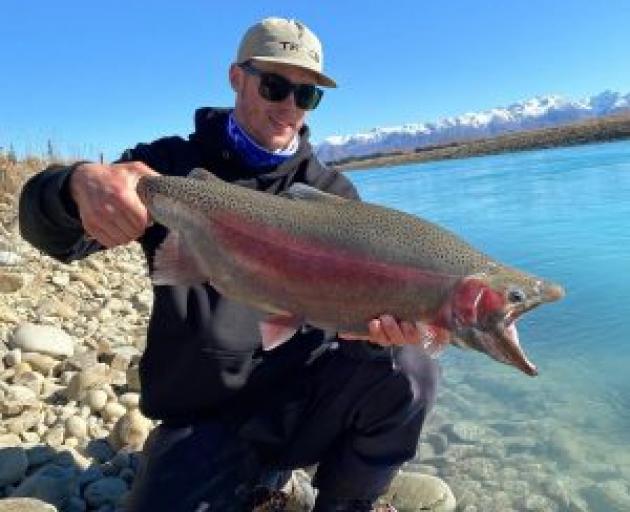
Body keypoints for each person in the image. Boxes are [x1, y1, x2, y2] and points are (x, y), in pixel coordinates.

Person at [19, 17, 439, 512]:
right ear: (236, 78)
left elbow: (353, 326)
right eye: (275, 85)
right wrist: (73, 187)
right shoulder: (167, 167)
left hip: (301, 405)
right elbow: (52, 236)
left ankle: (344, 501)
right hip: (204, 417)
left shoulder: (333, 196)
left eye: (307, 96)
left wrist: (378, 333)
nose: (289, 107)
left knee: (409, 366)